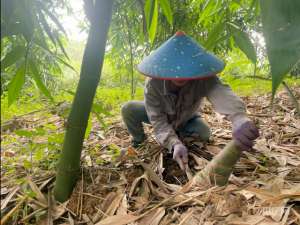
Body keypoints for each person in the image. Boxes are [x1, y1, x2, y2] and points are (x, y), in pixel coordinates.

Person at [121, 31, 259, 170]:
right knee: (129, 108)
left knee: (204, 133)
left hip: (187, 119)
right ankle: (139, 141)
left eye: (185, 69)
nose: (180, 75)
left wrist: (239, 117)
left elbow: (220, 91)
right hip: (159, 115)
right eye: (174, 69)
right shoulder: (153, 84)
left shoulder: (202, 77)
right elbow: (158, 121)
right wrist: (174, 143)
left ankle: (181, 135)